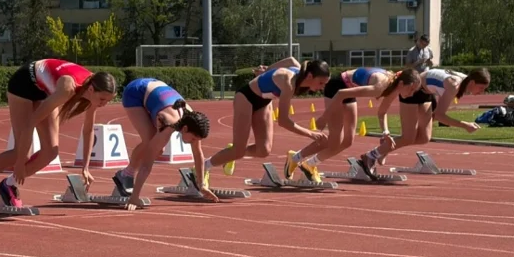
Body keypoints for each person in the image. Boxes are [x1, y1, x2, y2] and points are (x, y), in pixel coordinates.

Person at [0, 60, 116, 210]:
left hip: (44, 91)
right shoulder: (68, 88)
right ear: (91, 90)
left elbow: (88, 130)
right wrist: (20, 163)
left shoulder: (93, 88)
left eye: (108, 101)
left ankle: (9, 184)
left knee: (51, 151)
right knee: (19, 153)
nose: (103, 104)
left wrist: (85, 167)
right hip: (23, 85)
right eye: (102, 99)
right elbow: (30, 123)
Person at [286, 68, 422, 182]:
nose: (411, 94)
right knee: (335, 141)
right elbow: (340, 94)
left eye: (414, 91)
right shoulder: (380, 87)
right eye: (411, 89)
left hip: (347, 89)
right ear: (402, 83)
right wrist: (324, 118)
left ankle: (307, 163)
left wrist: (386, 133)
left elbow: (381, 112)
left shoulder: (394, 87)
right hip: (337, 87)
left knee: (348, 141)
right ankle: (299, 159)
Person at [202, 58, 331, 179]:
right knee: (238, 151)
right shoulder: (289, 83)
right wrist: (311, 134)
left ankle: (229, 155)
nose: (322, 87)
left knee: (263, 150)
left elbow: (291, 59)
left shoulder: (302, 71)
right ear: (310, 76)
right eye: (321, 83)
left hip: (264, 101)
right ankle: (202, 168)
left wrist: (267, 69)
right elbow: (283, 121)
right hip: (246, 98)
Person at [358, 68, 491, 178]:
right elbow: (439, 115)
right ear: (472, 82)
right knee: (408, 137)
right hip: (414, 91)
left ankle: (386, 148)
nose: (481, 92)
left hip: (427, 93)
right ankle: (371, 155)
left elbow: (437, 114)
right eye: (481, 88)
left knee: (424, 137)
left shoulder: (462, 81)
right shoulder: (454, 85)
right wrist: (464, 125)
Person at [113, 78, 215, 210]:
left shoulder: (193, 119)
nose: (195, 142)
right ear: (184, 129)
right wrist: (135, 197)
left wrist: (202, 185)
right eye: (194, 138)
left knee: (156, 148)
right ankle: (126, 174)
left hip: (155, 89)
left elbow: (198, 153)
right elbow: (146, 165)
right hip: (135, 92)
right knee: (150, 143)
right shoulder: (168, 124)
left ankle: (126, 174)